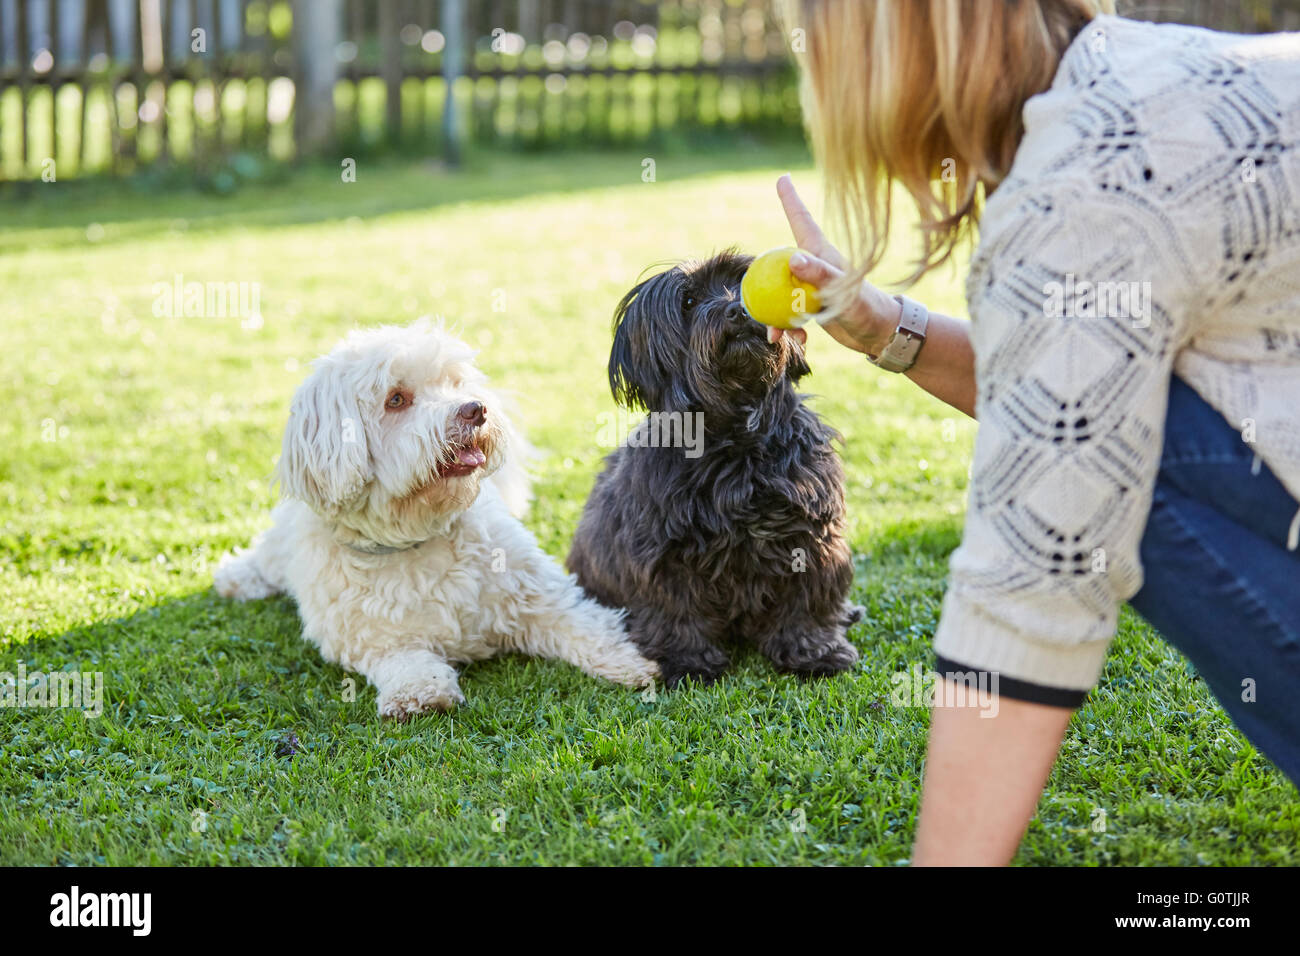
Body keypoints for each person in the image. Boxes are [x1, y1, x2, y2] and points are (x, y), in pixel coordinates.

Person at [771, 0, 1300, 864]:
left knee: (1117, 461)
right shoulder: (1140, 72)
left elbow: (1031, 580)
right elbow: (1078, 375)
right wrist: (885, 329)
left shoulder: (1084, 177)